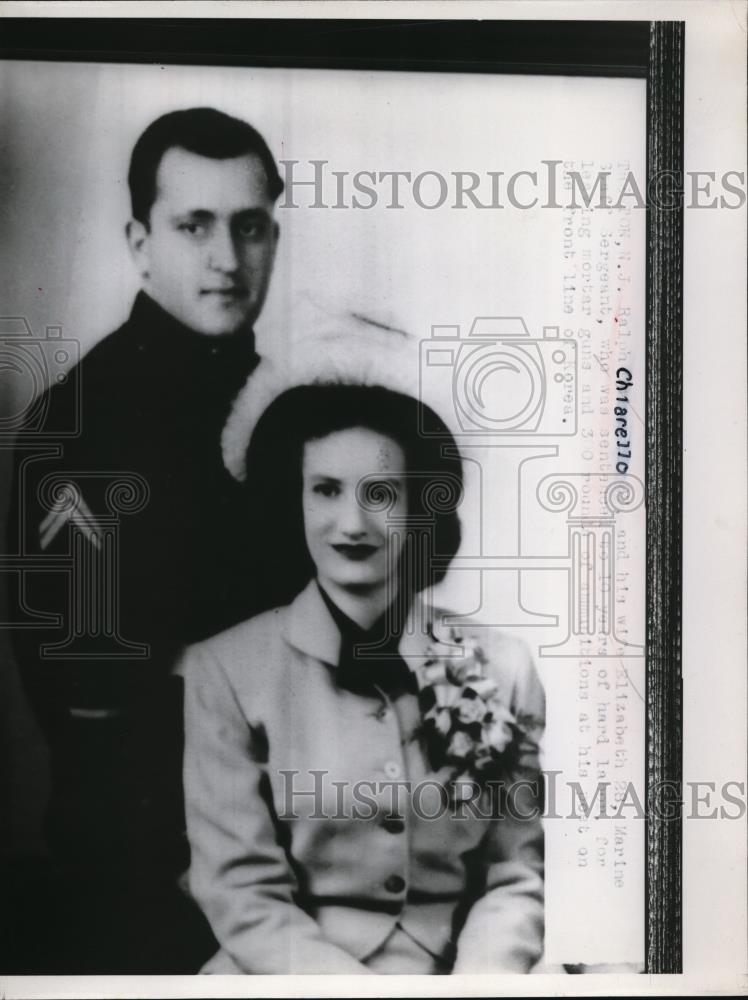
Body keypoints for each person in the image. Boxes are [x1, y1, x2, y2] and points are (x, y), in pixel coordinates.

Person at [4, 107, 283, 972]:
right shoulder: (84, 423)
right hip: (151, 882)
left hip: (286, 857)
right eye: (192, 225)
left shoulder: (290, 403)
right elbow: (93, 694)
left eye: (249, 227)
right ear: (139, 242)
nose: (227, 260)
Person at [181, 377, 546, 974]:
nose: (353, 522)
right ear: (291, 502)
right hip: (287, 972)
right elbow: (242, 892)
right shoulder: (224, 669)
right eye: (326, 490)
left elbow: (514, 875)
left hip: (458, 971)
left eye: (381, 493)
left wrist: (480, 985)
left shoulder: (503, 666)